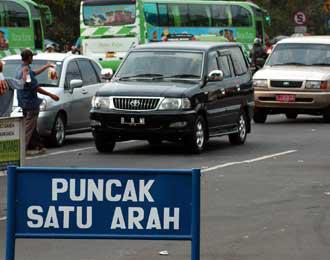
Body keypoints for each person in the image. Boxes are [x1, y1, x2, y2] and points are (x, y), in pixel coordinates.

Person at [16, 49, 60, 155]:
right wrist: (51, 95)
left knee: (31, 126)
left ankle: (39, 146)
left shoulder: (20, 68)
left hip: (23, 102)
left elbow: (33, 73)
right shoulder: (25, 70)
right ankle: (22, 150)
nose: (33, 58)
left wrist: (46, 66)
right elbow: (34, 87)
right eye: (32, 57)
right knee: (29, 127)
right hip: (30, 103)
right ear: (29, 57)